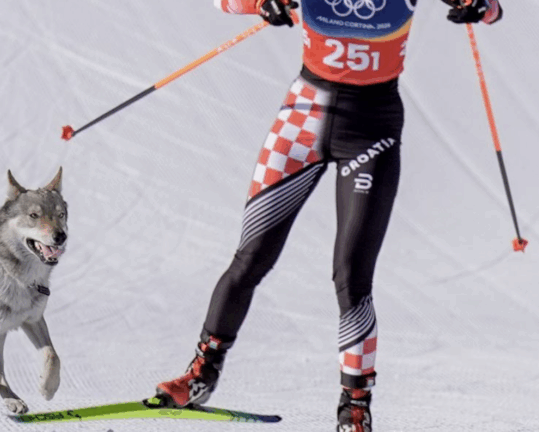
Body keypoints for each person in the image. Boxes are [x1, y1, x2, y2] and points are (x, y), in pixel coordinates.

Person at [155, 0, 503, 430]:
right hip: (301, 120)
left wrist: (479, 6)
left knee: (351, 276)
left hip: (371, 131)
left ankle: (355, 406)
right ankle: (202, 373)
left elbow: (492, 11)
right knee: (250, 258)